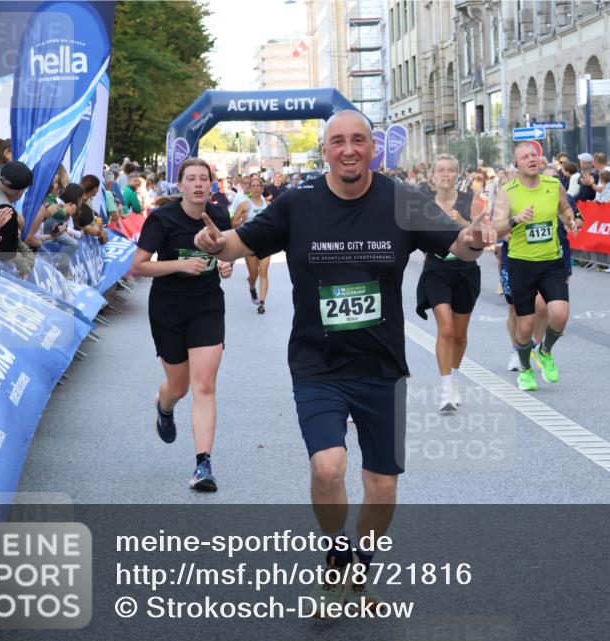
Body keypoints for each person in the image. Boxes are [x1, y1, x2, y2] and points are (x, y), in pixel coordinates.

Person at [193, 109, 495, 612]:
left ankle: (359, 569)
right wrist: (214, 242)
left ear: (372, 147)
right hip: (318, 362)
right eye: (338, 141)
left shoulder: (402, 200)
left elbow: (456, 246)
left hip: (380, 364)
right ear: (326, 150)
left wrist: (473, 240)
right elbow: (238, 242)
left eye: (359, 140)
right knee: (328, 466)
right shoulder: (298, 204)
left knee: (382, 486)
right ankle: (336, 555)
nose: (348, 149)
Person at [131, 158, 234, 492]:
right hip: (168, 308)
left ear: (212, 184)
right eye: (192, 179)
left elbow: (224, 253)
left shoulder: (219, 215)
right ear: (181, 185)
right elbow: (139, 267)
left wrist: (225, 265)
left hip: (206, 305)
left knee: (204, 384)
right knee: (179, 387)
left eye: (204, 178)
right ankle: (164, 407)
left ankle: (203, 464)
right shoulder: (162, 218)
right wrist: (180, 264)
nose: (199, 184)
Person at [490, 141, 581, 392]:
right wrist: (515, 220)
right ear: (516, 164)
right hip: (521, 263)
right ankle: (525, 369)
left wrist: (570, 221)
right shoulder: (508, 191)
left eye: (534, 155)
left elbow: (564, 209)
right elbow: (495, 227)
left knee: (560, 314)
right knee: (526, 325)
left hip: (551, 261)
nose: (531, 159)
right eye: (524, 156)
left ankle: (545, 351)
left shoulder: (554, 185)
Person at [414, 154, 482, 413]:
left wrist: (461, 222)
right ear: (432, 176)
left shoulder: (469, 201)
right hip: (437, 270)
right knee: (445, 329)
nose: (445, 174)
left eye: (450, 170)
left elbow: (481, 238)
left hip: (465, 271)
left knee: (460, 334)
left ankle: (454, 378)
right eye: (440, 170)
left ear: (457, 175)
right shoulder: (425, 205)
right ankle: (445, 388)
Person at [230, 174, 270, 311]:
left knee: (264, 272)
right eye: (253, 186)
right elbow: (233, 223)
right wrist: (241, 221)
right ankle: (252, 287)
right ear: (250, 189)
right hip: (249, 243)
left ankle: (262, 303)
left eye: (258, 186)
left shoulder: (268, 204)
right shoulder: (245, 205)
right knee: (254, 274)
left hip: (265, 242)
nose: (256, 188)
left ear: (262, 188)